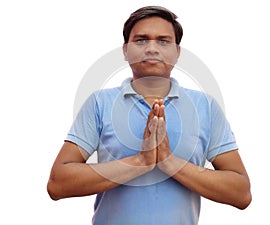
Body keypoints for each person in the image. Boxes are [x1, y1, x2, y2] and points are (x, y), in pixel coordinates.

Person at [47, 5, 251, 225]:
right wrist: (139, 162)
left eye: (163, 41)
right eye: (141, 40)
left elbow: (241, 193)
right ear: (125, 50)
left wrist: (170, 163)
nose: (152, 48)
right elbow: (58, 184)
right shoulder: (100, 103)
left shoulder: (205, 106)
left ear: (177, 52)